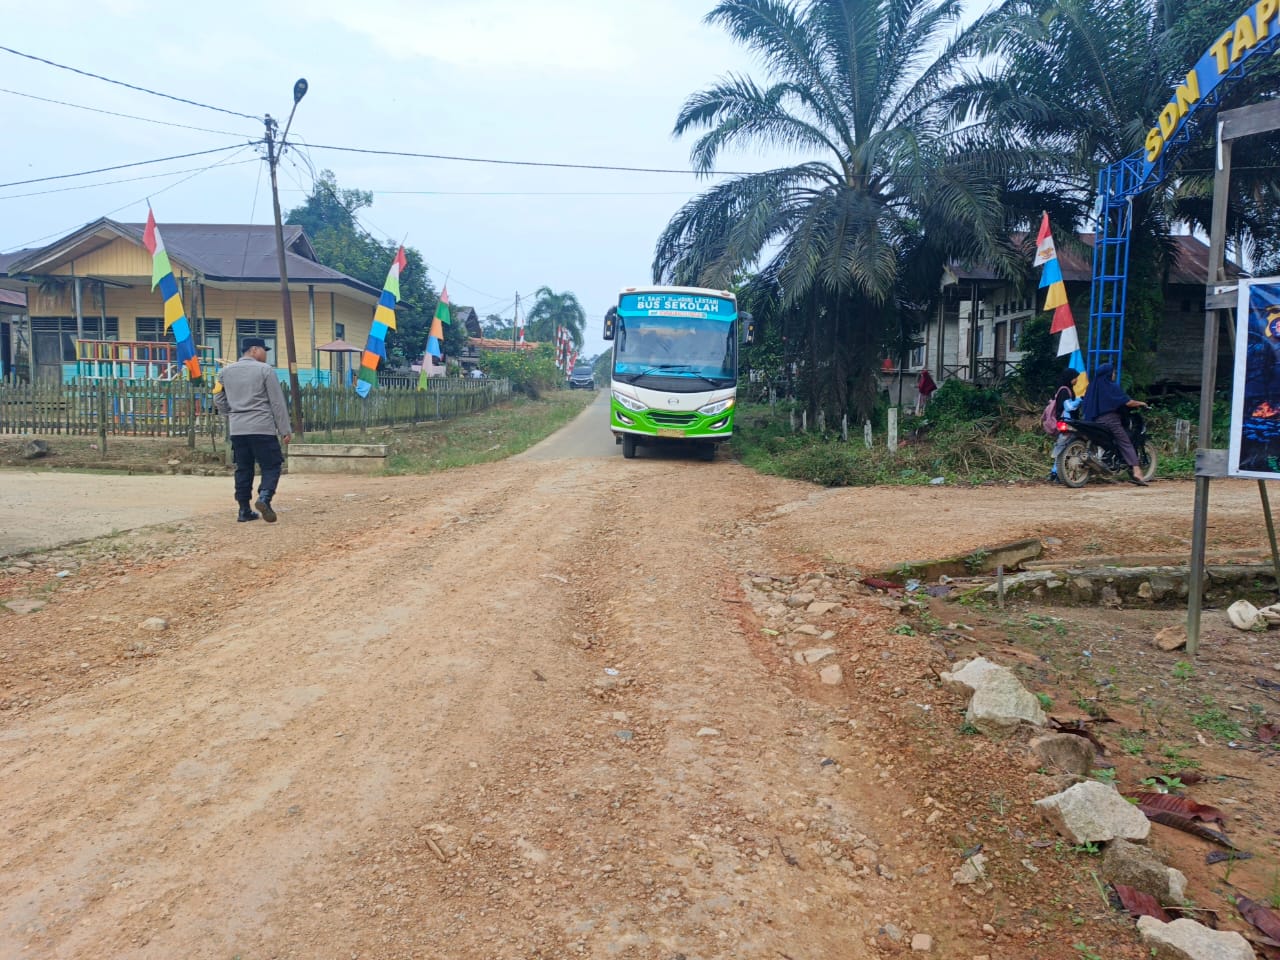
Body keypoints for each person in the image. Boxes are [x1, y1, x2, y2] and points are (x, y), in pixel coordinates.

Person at [213, 337, 293, 522]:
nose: (266, 354)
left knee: (243, 468)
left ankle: (243, 510)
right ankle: (264, 497)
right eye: (264, 350)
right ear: (254, 350)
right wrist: (284, 429)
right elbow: (277, 402)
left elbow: (218, 399)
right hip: (262, 427)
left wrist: (232, 414)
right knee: (272, 465)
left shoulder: (224, 372)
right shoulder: (265, 370)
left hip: (238, 430)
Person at [1079, 362, 1150, 486]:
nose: (1114, 375)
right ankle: (1137, 471)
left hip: (1092, 421)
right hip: (1110, 420)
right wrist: (1141, 403)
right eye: (1113, 372)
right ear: (1108, 374)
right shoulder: (1111, 386)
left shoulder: (1092, 387)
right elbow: (1127, 402)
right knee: (1125, 442)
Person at [1047, 368, 1082, 483]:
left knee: (1063, 446)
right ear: (1070, 378)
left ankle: (1055, 472)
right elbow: (1068, 407)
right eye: (1075, 377)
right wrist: (1079, 400)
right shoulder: (1065, 391)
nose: (1076, 380)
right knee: (1064, 446)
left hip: (1064, 422)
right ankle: (1056, 472)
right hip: (1067, 422)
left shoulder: (1062, 389)